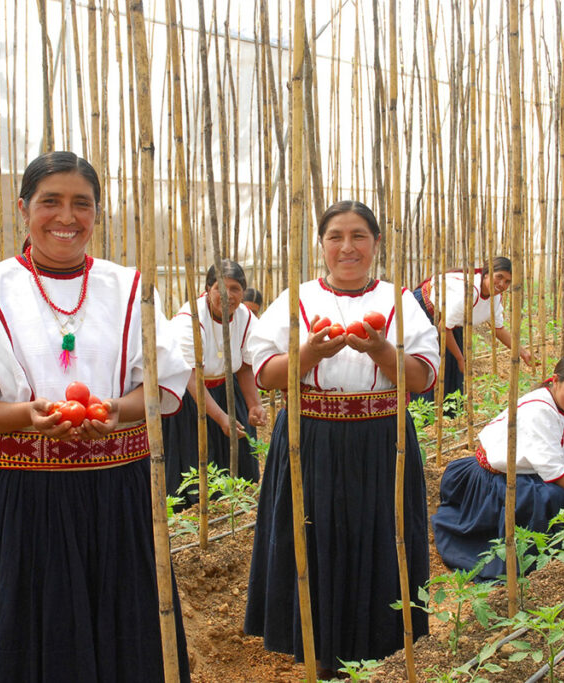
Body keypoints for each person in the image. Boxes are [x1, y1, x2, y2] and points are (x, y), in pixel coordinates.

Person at [0, 152, 191, 682]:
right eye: (50, 201)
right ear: (24, 208)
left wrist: (117, 410)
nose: (66, 217)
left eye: (82, 204)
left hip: (115, 495)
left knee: (121, 631)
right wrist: (24, 416)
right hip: (23, 501)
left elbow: (162, 387)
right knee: (31, 638)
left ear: (97, 213)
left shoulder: (129, 287)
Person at [243, 200, 439, 676]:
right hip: (310, 440)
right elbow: (268, 375)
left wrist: (381, 350)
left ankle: (377, 646)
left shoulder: (399, 301)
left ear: (375, 243)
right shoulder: (297, 299)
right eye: (335, 236)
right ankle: (317, 649)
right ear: (322, 243)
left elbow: (420, 379)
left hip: (382, 439)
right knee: (314, 537)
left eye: (359, 236)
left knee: (380, 536)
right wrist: (309, 351)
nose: (347, 247)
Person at [431, 353, 564, 580]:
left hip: (535, 476)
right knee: (551, 500)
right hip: (497, 482)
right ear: (555, 381)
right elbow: (557, 475)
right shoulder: (539, 410)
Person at [163, 261, 268, 507]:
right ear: (208, 289)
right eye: (220, 287)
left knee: (240, 450)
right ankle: (193, 508)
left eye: (235, 289)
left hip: (226, 389)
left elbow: (244, 365)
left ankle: (234, 502)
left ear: (243, 292)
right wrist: (222, 418)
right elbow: (190, 377)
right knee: (195, 455)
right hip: (189, 395)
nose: (228, 295)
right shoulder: (189, 319)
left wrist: (254, 405)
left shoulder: (245, 318)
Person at [412, 257, 534, 403]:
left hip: (450, 323)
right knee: (432, 362)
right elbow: (443, 328)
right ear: (487, 274)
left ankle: (447, 413)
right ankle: (423, 412)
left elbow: (499, 330)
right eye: (499, 277)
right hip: (425, 311)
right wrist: (460, 358)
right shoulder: (468, 292)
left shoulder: (494, 299)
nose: (502, 284)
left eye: (508, 281)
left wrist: (523, 352)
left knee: (453, 370)